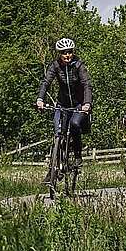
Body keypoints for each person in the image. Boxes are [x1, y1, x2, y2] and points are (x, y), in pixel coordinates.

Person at [35, 38, 92, 174]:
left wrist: (87, 103)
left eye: (70, 52)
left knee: (75, 124)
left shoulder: (79, 65)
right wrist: (40, 99)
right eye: (64, 52)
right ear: (59, 53)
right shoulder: (55, 66)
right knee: (58, 132)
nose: (67, 55)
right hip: (62, 104)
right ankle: (55, 167)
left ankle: (77, 155)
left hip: (79, 104)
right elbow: (46, 82)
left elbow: (86, 85)